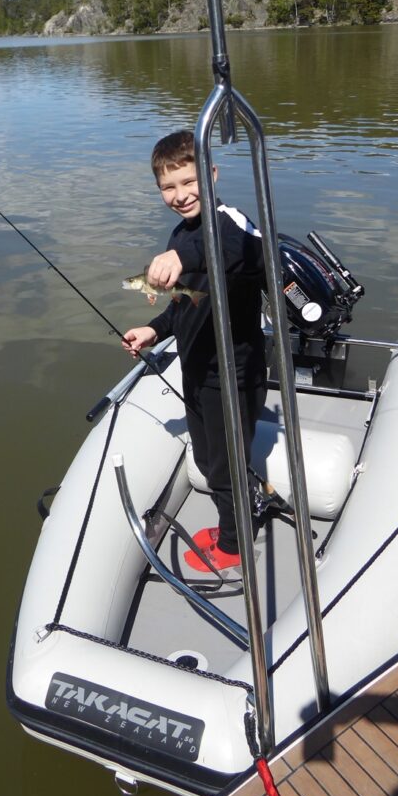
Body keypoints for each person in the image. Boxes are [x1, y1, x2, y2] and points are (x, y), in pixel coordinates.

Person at [122, 130, 267, 573]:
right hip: (199, 369)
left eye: (189, 182)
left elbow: (231, 248)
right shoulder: (182, 233)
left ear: (212, 174)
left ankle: (233, 544)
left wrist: (179, 256)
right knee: (207, 456)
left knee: (223, 464)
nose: (180, 195)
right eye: (168, 186)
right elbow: (185, 300)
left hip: (232, 373)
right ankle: (241, 508)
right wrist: (153, 328)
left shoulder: (231, 225)